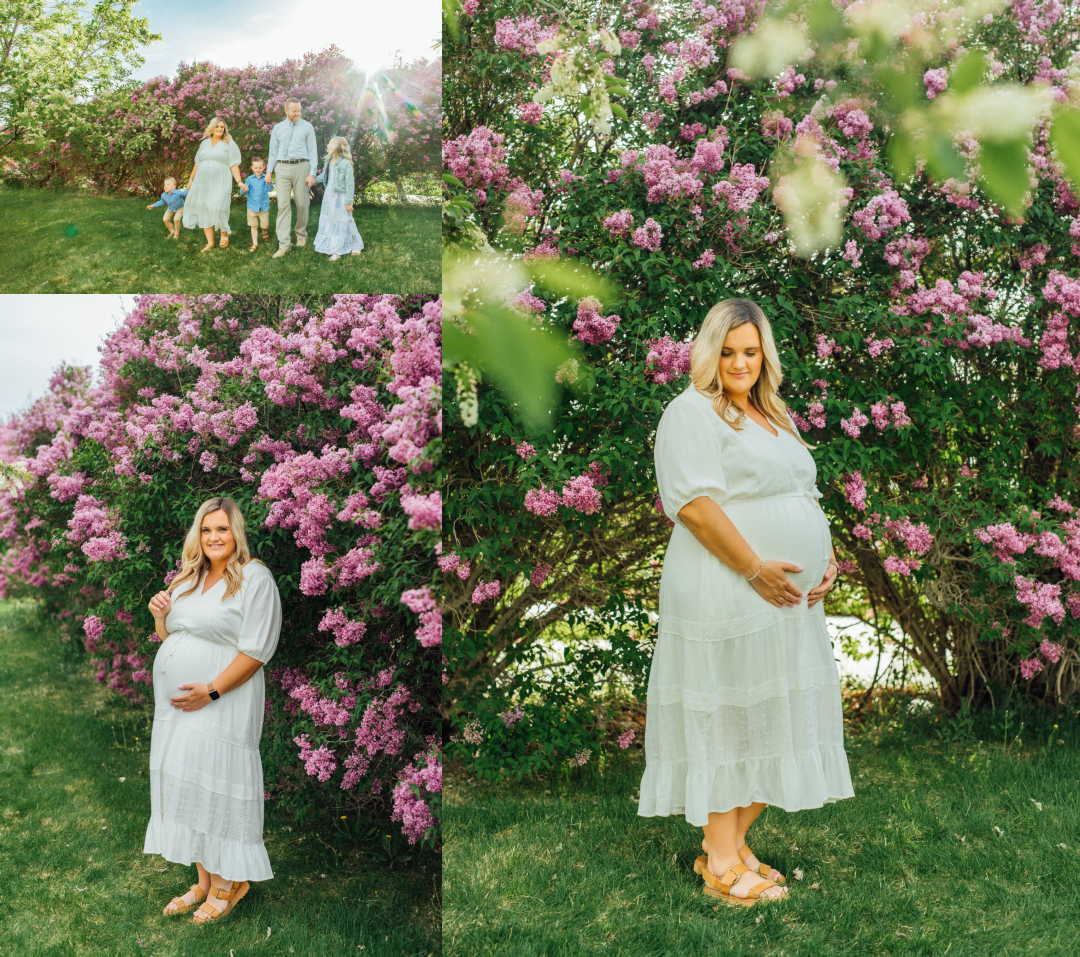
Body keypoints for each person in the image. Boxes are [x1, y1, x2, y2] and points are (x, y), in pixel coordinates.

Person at [637, 298, 854, 907]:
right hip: (724, 584)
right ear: (710, 353)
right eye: (728, 351)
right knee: (729, 717)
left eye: (750, 351)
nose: (739, 362)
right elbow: (695, 507)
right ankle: (723, 860)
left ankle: (726, 845)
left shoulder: (774, 417)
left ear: (765, 356)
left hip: (787, 599)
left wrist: (826, 560)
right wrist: (756, 567)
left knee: (776, 714)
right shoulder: (692, 413)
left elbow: (804, 495)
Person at [143, 496, 282, 923]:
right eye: (206, 530)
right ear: (196, 535)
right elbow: (174, 640)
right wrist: (160, 620)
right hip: (179, 707)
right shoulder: (189, 576)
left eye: (222, 529)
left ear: (236, 532)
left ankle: (228, 884)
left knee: (217, 781)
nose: (213, 537)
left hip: (223, 700)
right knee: (188, 783)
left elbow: (257, 651)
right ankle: (204, 880)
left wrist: (212, 691)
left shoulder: (255, 578)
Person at [266, 97, 318, 258]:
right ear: (286, 111)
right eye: (294, 111)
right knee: (283, 205)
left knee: (302, 203)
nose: (297, 113)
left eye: (299, 110)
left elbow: (313, 151)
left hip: (301, 166)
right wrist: (269, 171)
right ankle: (284, 244)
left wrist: (312, 172)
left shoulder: (307, 127)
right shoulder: (278, 128)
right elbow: (273, 152)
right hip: (281, 167)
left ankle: (301, 234)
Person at [182, 117, 244, 251]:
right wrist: (191, 180)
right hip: (202, 182)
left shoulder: (229, 142)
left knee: (217, 206)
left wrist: (239, 181)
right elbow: (197, 163)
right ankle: (210, 242)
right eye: (218, 126)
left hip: (220, 180)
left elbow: (233, 164)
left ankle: (223, 232)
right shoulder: (204, 144)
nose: (220, 129)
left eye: (222, 127)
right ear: (212, 128)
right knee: (204, 208)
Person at [313, 137, 364, 261]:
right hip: (329, 197)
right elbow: (324, 176)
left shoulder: (346, 163)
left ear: (335, 147)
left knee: (343, 221)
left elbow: (350, 184)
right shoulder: (329, 161)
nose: (328, 145)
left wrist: (348, 202)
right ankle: (332, 246)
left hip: (340, 198)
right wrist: (312, 180)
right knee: (330, 221)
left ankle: (349, 247)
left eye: (330, 143)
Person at [242, 157, 272, 252]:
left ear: (263, 167)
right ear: (252, 168)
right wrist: (244, 189)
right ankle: (255, 243)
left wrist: (269, 183)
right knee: (253, 226)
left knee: (264, 225)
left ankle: (264, 231)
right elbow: (243, 191)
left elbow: (270, 189)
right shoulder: (249, 179)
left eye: (260, 167)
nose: (258, 169)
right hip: (252, 206)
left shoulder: (265, 178)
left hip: (263, 206)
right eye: (256, 168)